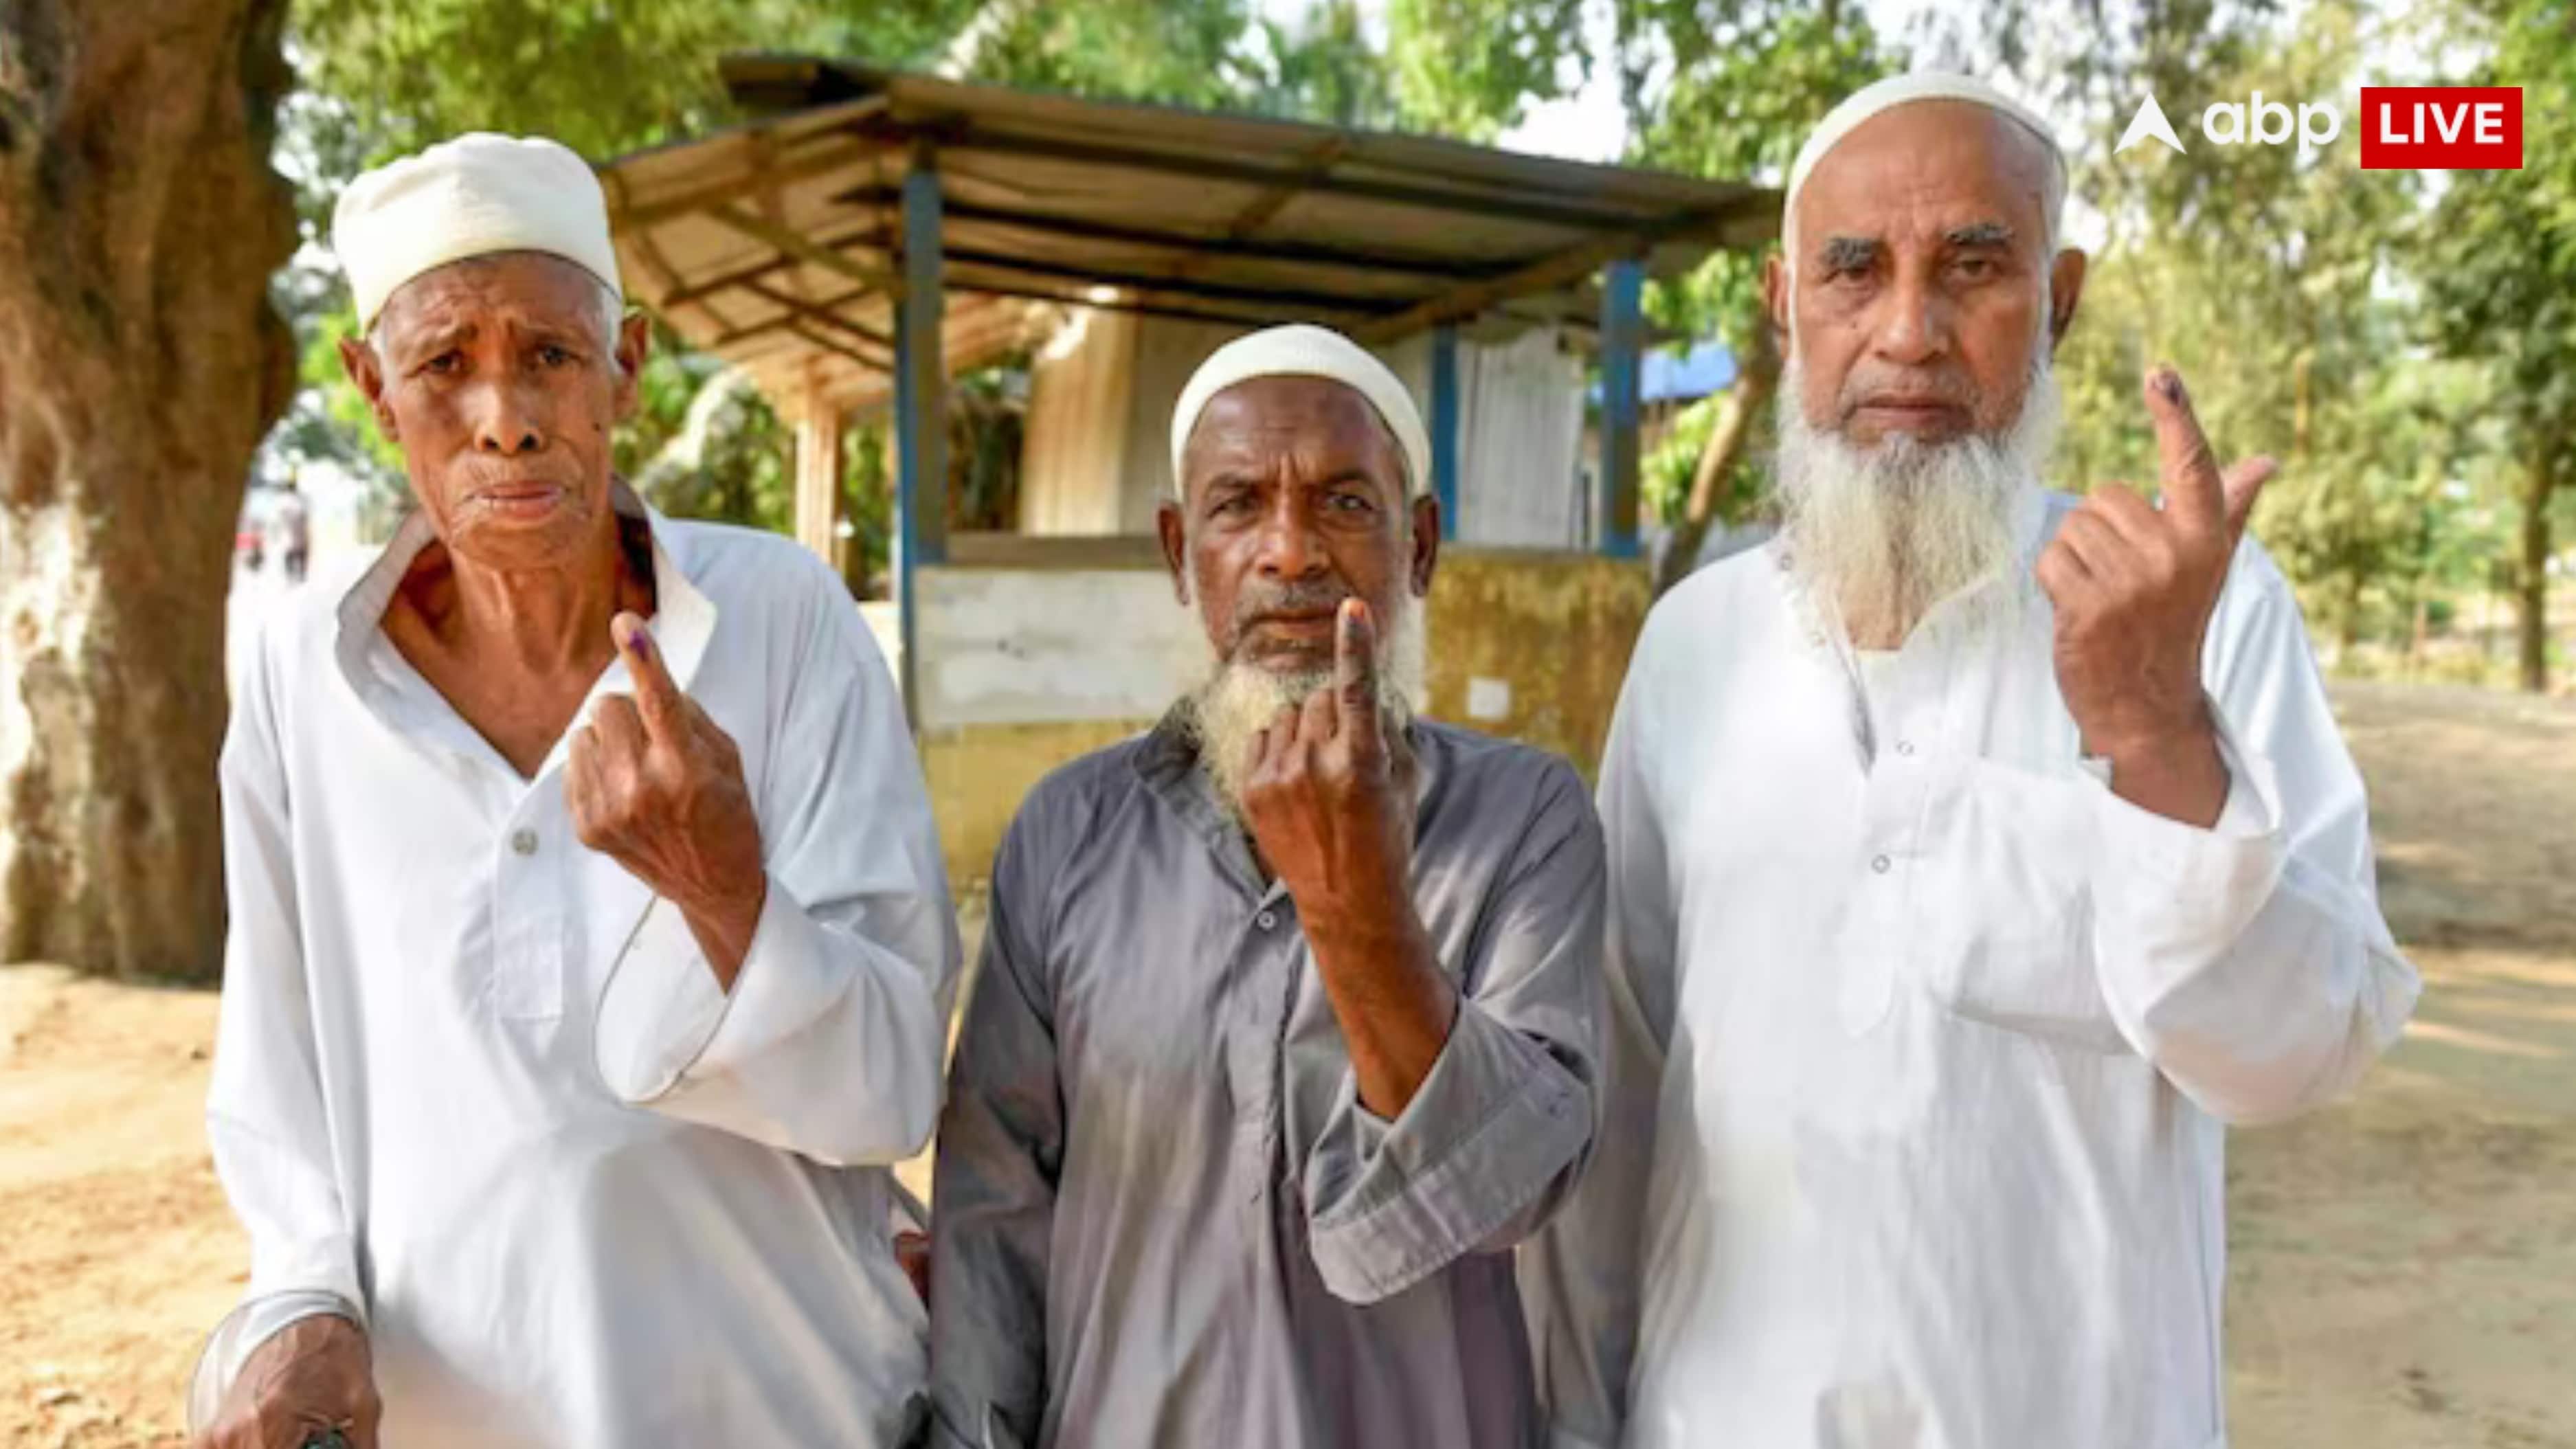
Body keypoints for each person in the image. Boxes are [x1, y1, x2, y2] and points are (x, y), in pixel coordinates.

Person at [1521, 74, 2420, 1448]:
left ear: (2055, 301)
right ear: (1782, 305)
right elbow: (1621, 1098)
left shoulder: (2197, 614)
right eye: (1852, 270)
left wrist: (2152, 735)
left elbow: (2293, 1052)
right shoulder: (1692, 643)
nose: (1906, 332)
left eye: (1970, 267)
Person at [190, 133, 959, 1448]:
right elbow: (279, 1068)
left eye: (549, 353)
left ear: (627, 369)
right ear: (372, 388)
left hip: (787, 1407)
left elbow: (889, 1090)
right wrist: (303, 1298)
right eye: (445, 364)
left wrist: (726, 893)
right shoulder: (300, 670)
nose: (505, 415)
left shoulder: (781, 615)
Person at [928, 324, 1606, 1449]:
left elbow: (1517, 1187)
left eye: (1343, 501)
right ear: (1178, 551)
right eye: (1238, 504)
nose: (1289, 552)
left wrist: (1354, 903)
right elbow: (994, 1216)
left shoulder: (1524, 818)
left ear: (1418, 546)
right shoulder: (1067, 831)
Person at [268, 476, 312, 584]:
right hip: (297, 530)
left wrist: (275, 532)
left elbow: (276, 519)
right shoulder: (300, 499)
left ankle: (291, 574)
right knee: (299, 551)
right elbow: (305, 516)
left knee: (290, 552)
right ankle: (299, 574)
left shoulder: (283, 501)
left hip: (289, 530)